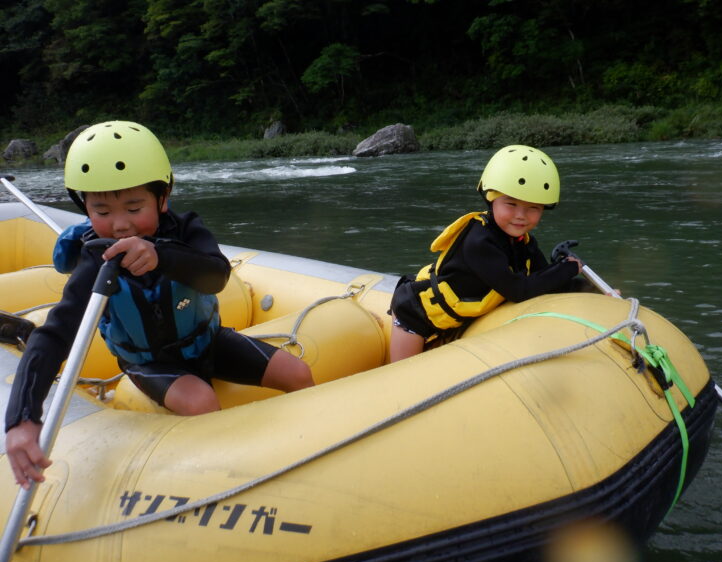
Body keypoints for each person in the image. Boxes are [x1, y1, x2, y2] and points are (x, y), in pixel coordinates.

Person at [4, 120, 314, 488]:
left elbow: (216, 275)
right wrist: (22, 417)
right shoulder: (94, 261)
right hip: (149, 362)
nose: (119, 224)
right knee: (200, 402)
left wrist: (160, 255)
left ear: (163, 197)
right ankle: (221, 484)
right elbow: (55, 334)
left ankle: (313, 452)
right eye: (102, 211)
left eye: (134, 207)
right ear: (83, 205)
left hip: (208, 342)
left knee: (298, 374)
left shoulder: (186, 230)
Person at [389, 144, 584, 362]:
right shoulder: (479, 242)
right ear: (491, 199)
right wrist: (567, 268)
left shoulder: (524, 242)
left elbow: (545, 279)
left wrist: (588, 288)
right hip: (415, 316)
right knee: (405, 377)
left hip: (457, 318)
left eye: (533, 208)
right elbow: (519, 290)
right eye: (511, 203)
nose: (521, 215)